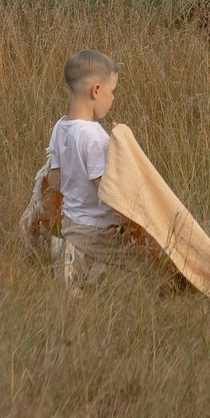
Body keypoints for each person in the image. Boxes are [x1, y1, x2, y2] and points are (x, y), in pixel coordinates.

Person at [41, 48, 128, 287]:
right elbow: (105, 187)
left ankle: (66, 258)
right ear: (96, 90)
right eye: (112, 92)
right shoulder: (94, 136)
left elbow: (54, 181)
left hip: (70, 227)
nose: (113, 99)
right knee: (143, 273)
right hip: (97, 232)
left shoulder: (61, 127)